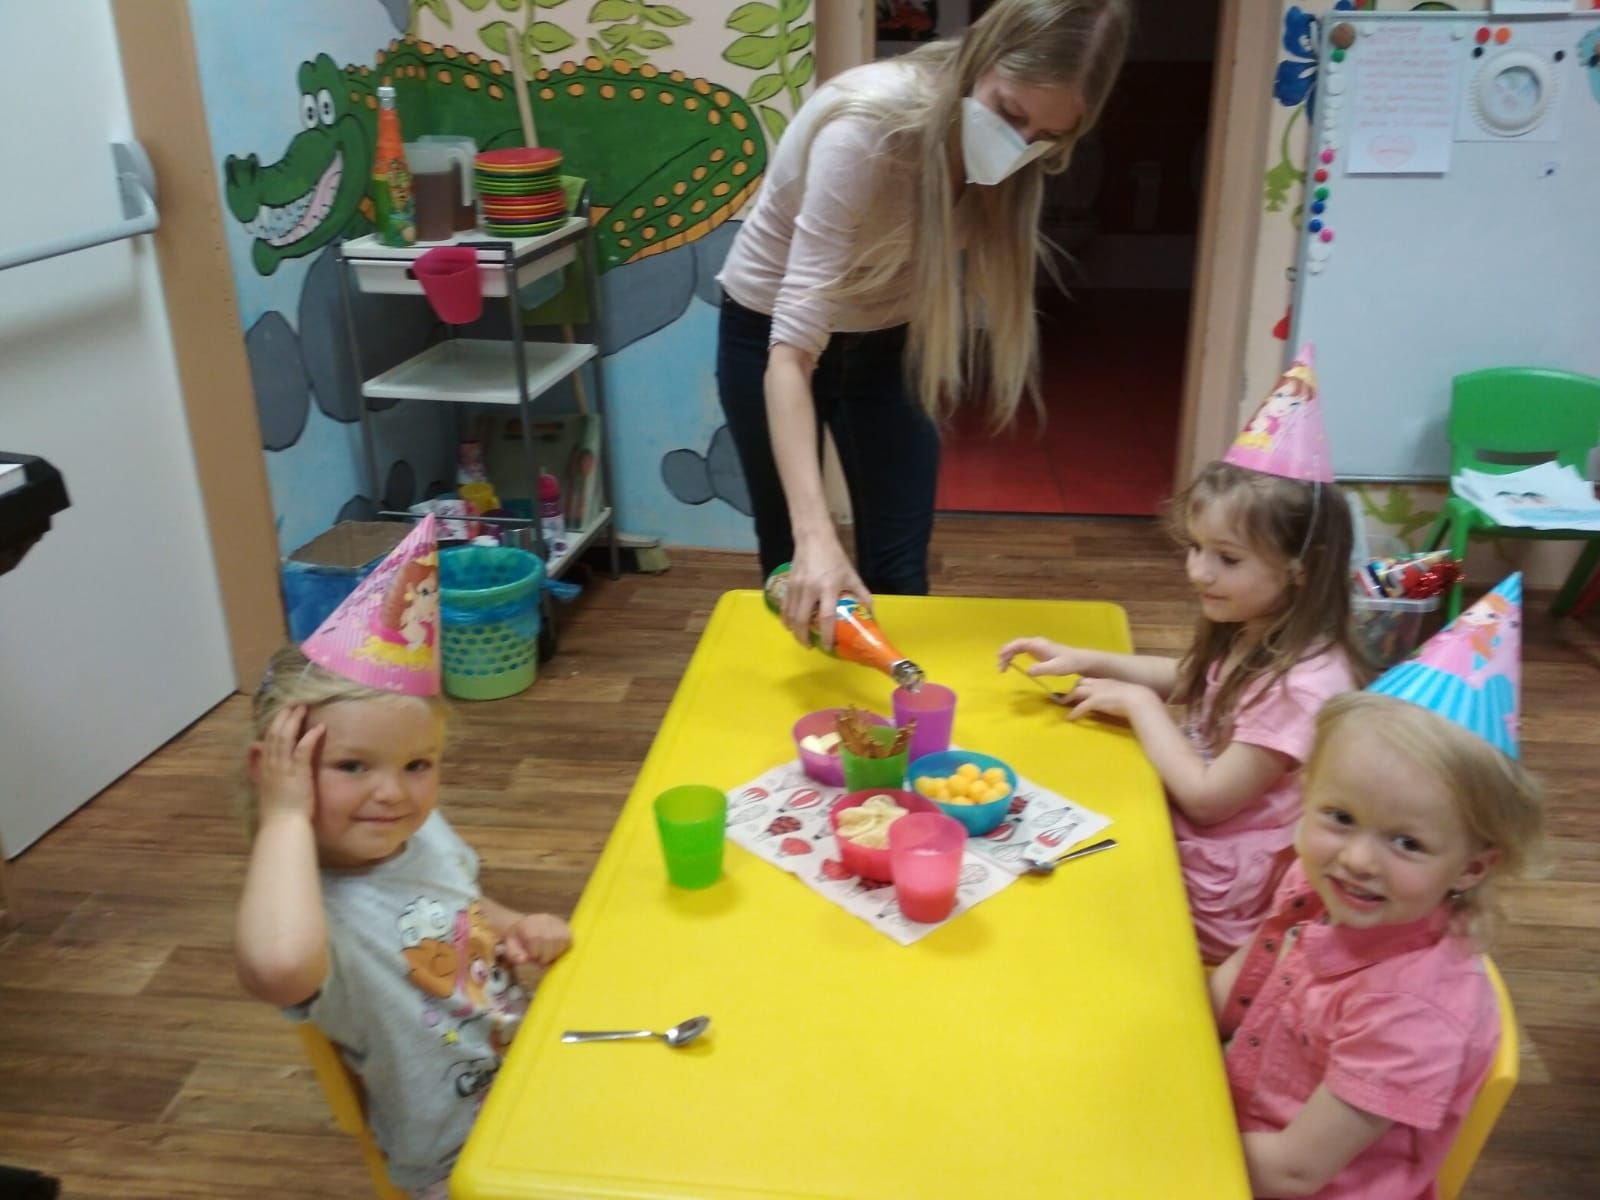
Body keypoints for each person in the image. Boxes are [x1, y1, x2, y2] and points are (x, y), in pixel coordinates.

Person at [716, 0, 1131, 645]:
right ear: (980, 58)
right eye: (1009, 113)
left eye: (1046, 135)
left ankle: (893, 700)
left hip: (889, 342)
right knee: (795, 560)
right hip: (770, 333)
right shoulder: (866, 130)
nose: (1020, 145)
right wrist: (816, 535)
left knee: (899, 573)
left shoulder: (1020, 150)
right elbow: (789, 357)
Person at [234, 519, 571, 1200]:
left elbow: (459, 903)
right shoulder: (310, 916)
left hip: (539, 1076)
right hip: (462, 1158)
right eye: (353, 766)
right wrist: (283, 817)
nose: (393, 793)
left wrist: (516, 927)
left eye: (417, 765)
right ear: (275, 771)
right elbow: (277, 968)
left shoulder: (419, 834)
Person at [998, 349, 1366, 961]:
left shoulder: (1304, 686)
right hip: (1183, 830)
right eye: (1196, 548)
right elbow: (1198, 679)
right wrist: (1088, 658)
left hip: (1217, 890)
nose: (1198, 572)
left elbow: (1208, 798)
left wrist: (1140, 705)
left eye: (1227, 558)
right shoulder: (1259, 622)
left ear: (1303, 568)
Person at [1208, 575, 1543, 1198]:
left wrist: (1170, 1126)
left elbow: (1295, 1172)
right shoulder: (1320, 882)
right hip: (1232, 1123)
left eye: (1407, 842)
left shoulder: (1410, 1013)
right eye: (1340, 817)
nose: (1357, 860)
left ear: (1471, 868)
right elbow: (1237, 979)